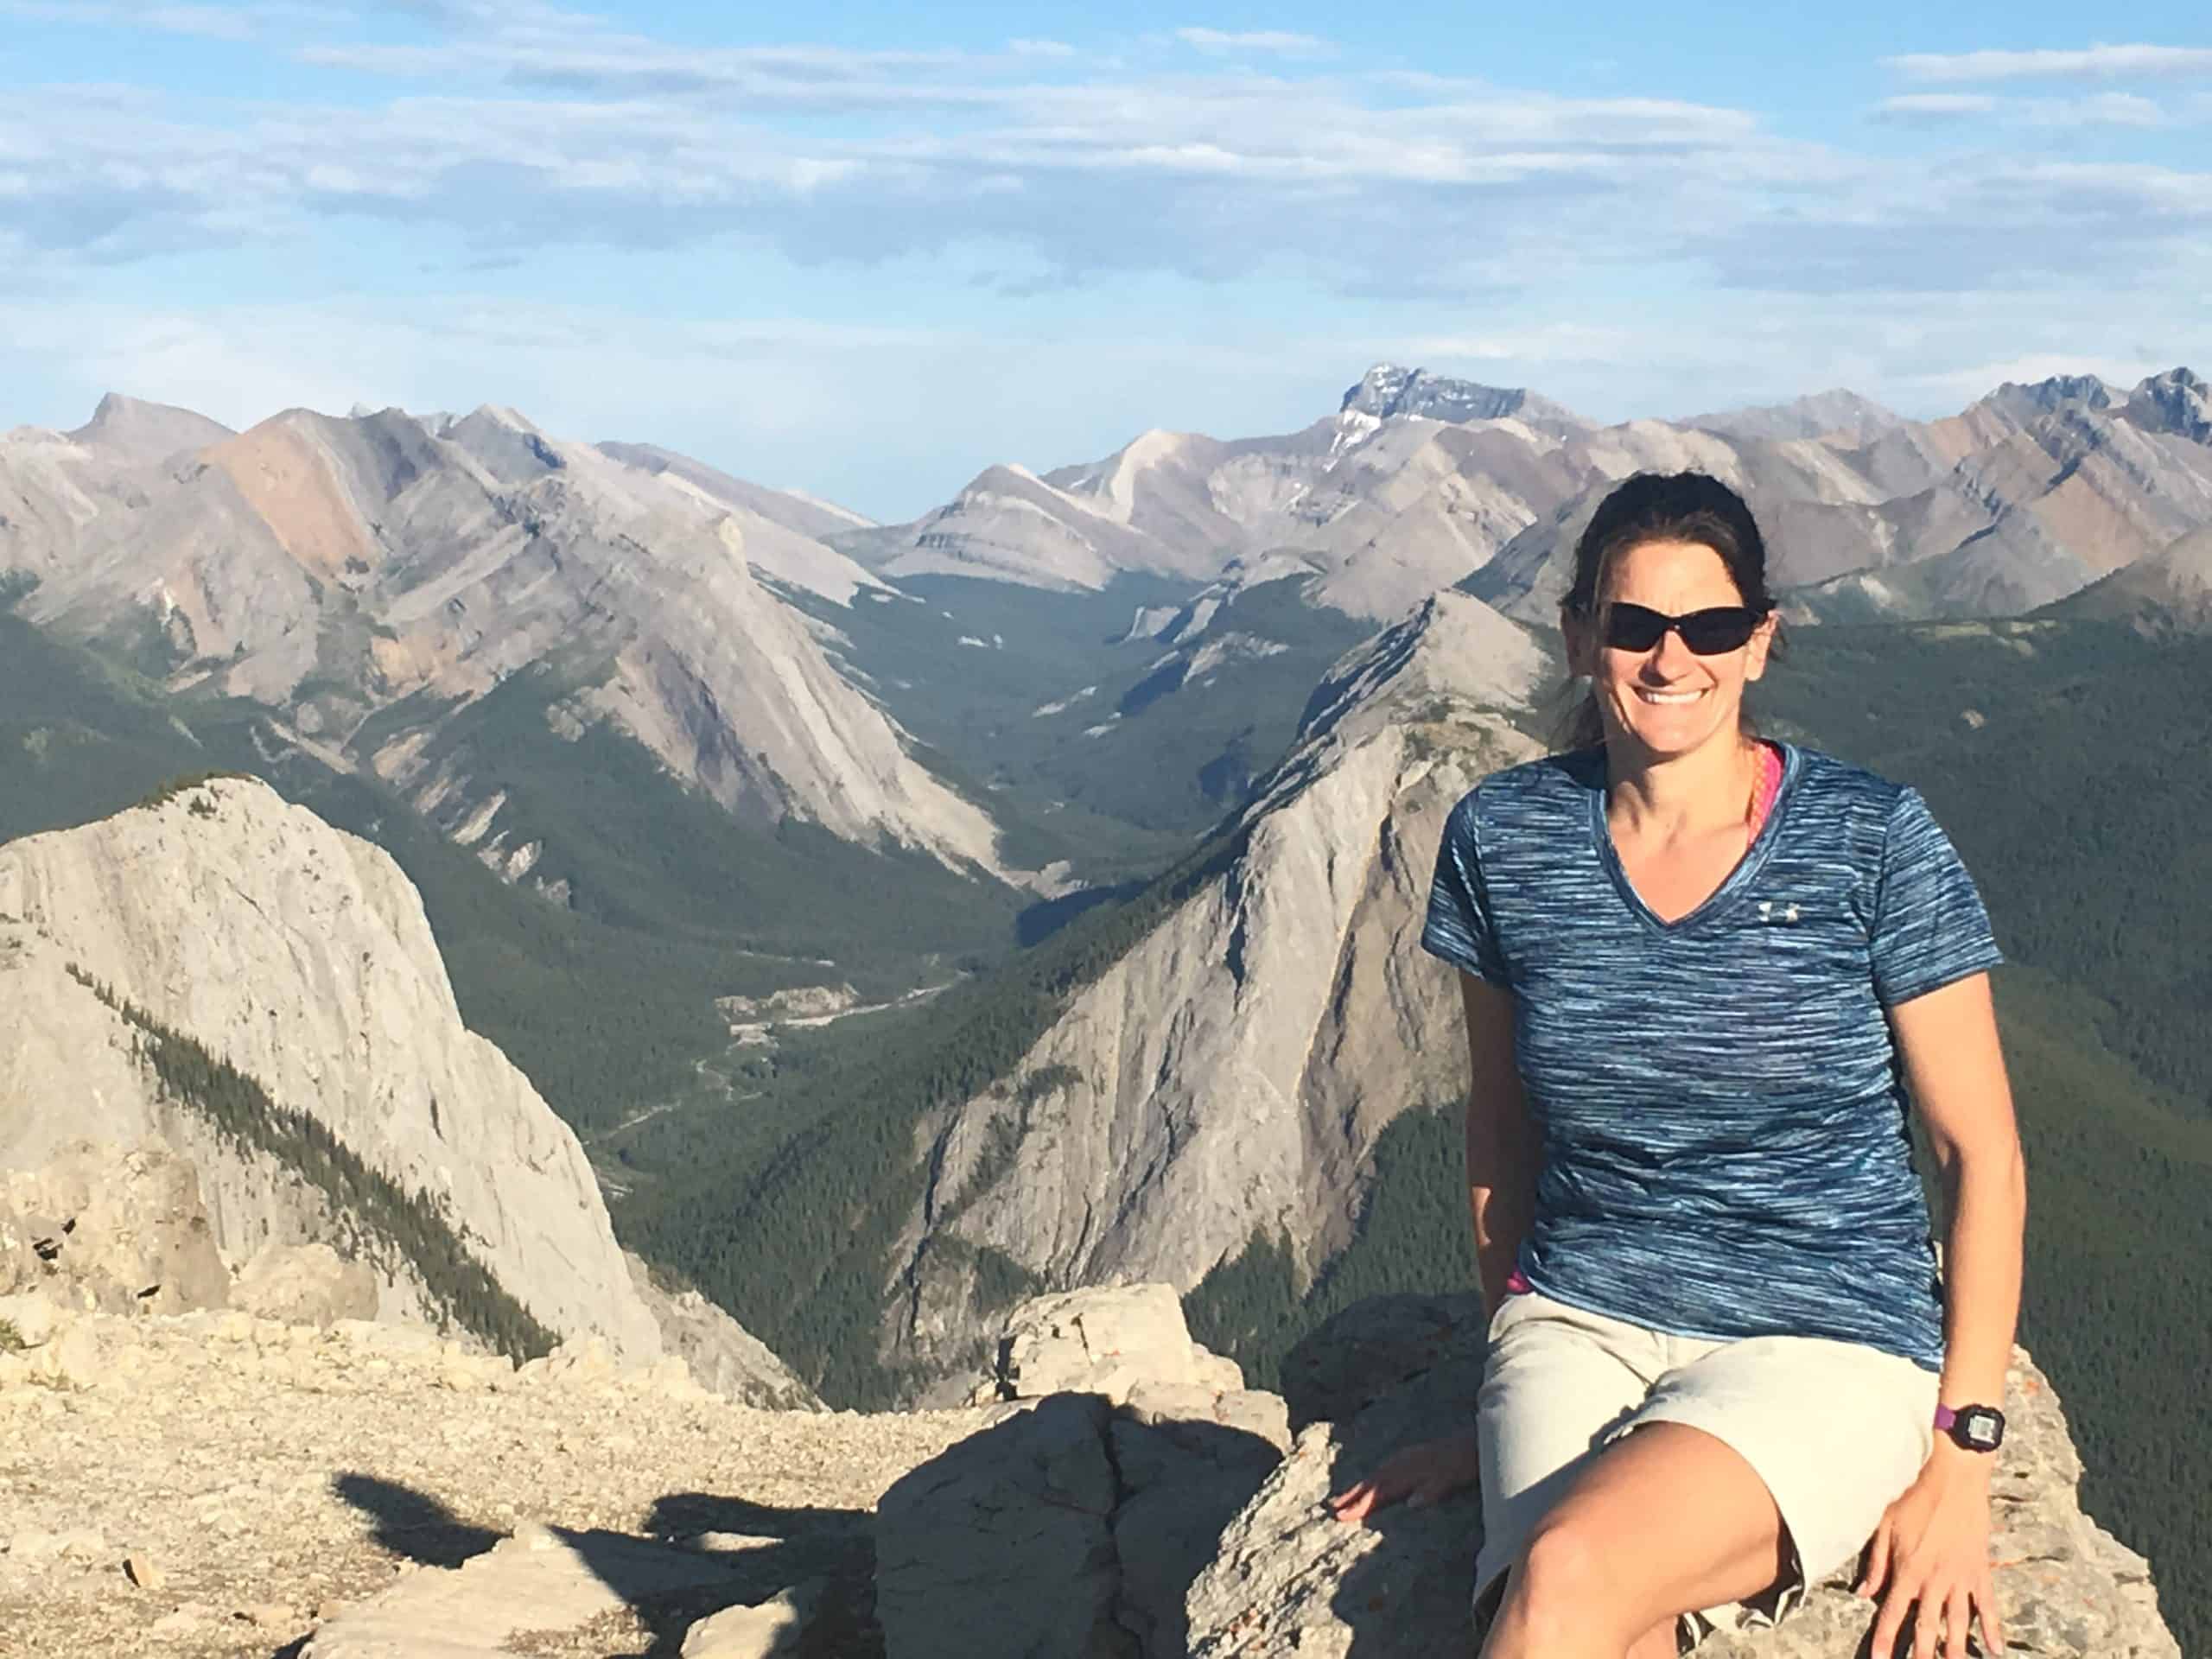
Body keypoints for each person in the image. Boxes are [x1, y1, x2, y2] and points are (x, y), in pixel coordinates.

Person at [1325, 471, 2027, 1659]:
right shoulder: (1505, 839)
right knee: (1604, 1623)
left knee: (1567, 1573)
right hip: (1579, 1326)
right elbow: (1502, 1128)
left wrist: (1962, 1453)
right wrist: (1496, 1395)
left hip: (1824, 1339)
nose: (1669, 659)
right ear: (1578, 636)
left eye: (1707, 627)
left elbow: (1983, 1156)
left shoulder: (1872, 840)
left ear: (1760, 643)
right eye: (1633, 624)